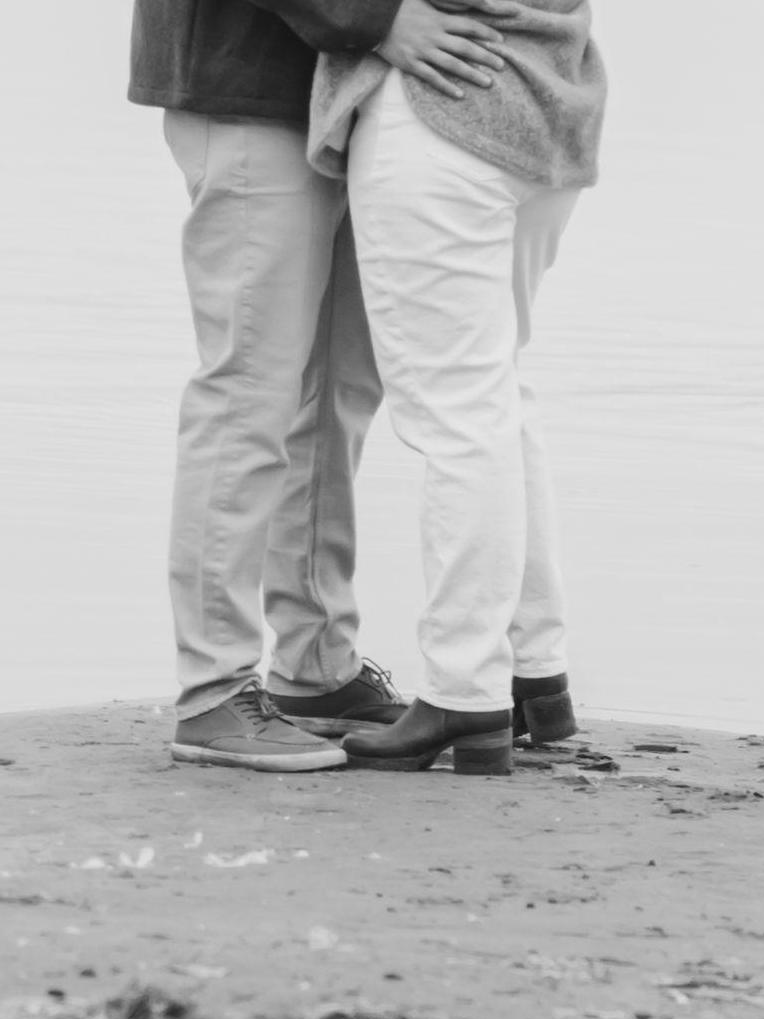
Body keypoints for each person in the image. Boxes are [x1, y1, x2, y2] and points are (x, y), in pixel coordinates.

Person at [129, 0, 522, 772]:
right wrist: (374, 18)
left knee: (337, 395)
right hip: (252, 84)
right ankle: (212, 689)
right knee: (247, 391)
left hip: (355, 98)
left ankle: (315, 667)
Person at [308, 1, 606, 774]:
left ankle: (464, 690)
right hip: (549, 94)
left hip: (441, 107)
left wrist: (374, 19)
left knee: (459, 417)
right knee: (496, 394)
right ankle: (534, 672)